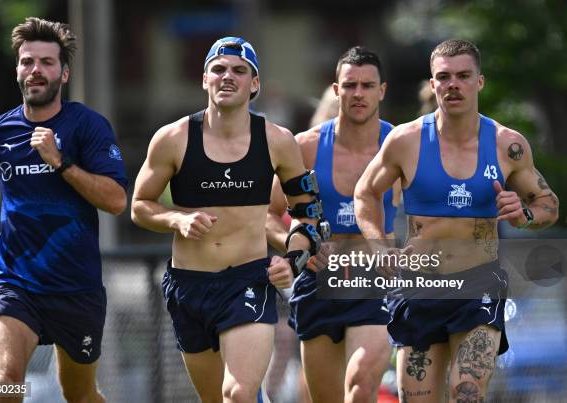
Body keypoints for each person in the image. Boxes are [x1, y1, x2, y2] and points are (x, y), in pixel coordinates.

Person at [354, 39, 559, 402]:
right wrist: (379, 244)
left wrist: (524, 215)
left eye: (463, 76)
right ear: (432, 85)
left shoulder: (506, 144)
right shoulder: (406, 140)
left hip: (478, 286)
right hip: (419, 286)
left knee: (466, 392)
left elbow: (548, 205)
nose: (453, 85)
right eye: (444, 77)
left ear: (479, 81)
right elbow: (365, 194)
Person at [131, 36, 322, 402]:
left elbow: (308, 215)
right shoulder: (172, 139)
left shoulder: (278, 141)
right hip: (189, 285)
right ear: (205, 79)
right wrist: (177, 220)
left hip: (247, 280)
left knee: (236, 393)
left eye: (239, 70)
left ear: (255, 84)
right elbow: (140, 205)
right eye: (218, 69)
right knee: (215, 399)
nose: (227, 77)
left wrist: (293, 260)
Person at [0, 17, 127, 403]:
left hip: (76, 287)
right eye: (27, 62)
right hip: (16, 281)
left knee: (79, 395)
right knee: (6, 381)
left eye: (46, 62)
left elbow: (116, 200)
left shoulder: (88, 127)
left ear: (64, 72)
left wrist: (60, 162)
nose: (35, 70)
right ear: (17, 70)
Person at [266, 46, 397, 403]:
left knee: (360, 382)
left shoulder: (401, 145)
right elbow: (266, 213)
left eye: (367, 85)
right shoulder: (305, 148)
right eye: (350, 85)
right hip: (319, 282)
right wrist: (297, 246)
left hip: (375, 282)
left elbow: (424, 214)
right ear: (336, 90)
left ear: (381, 90)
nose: (358, 93)